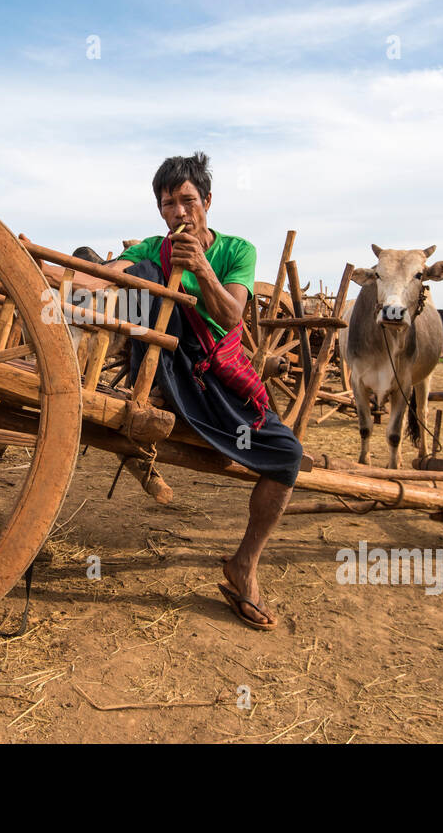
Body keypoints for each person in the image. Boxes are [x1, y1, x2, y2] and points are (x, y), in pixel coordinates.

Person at [63, 152, 304, 630]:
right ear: (160, 210)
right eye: (169, 203)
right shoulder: (154, 248)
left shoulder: (237, 250)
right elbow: (99, 278)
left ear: (208, 202)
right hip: (165, 366)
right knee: (145, 277)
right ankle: (158, 392)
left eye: (188, 201)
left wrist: (203, 270)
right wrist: (32, 262)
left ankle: (244, 567)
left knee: (287, 457)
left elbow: (233, 316)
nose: (179, 212)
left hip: (215, 372)